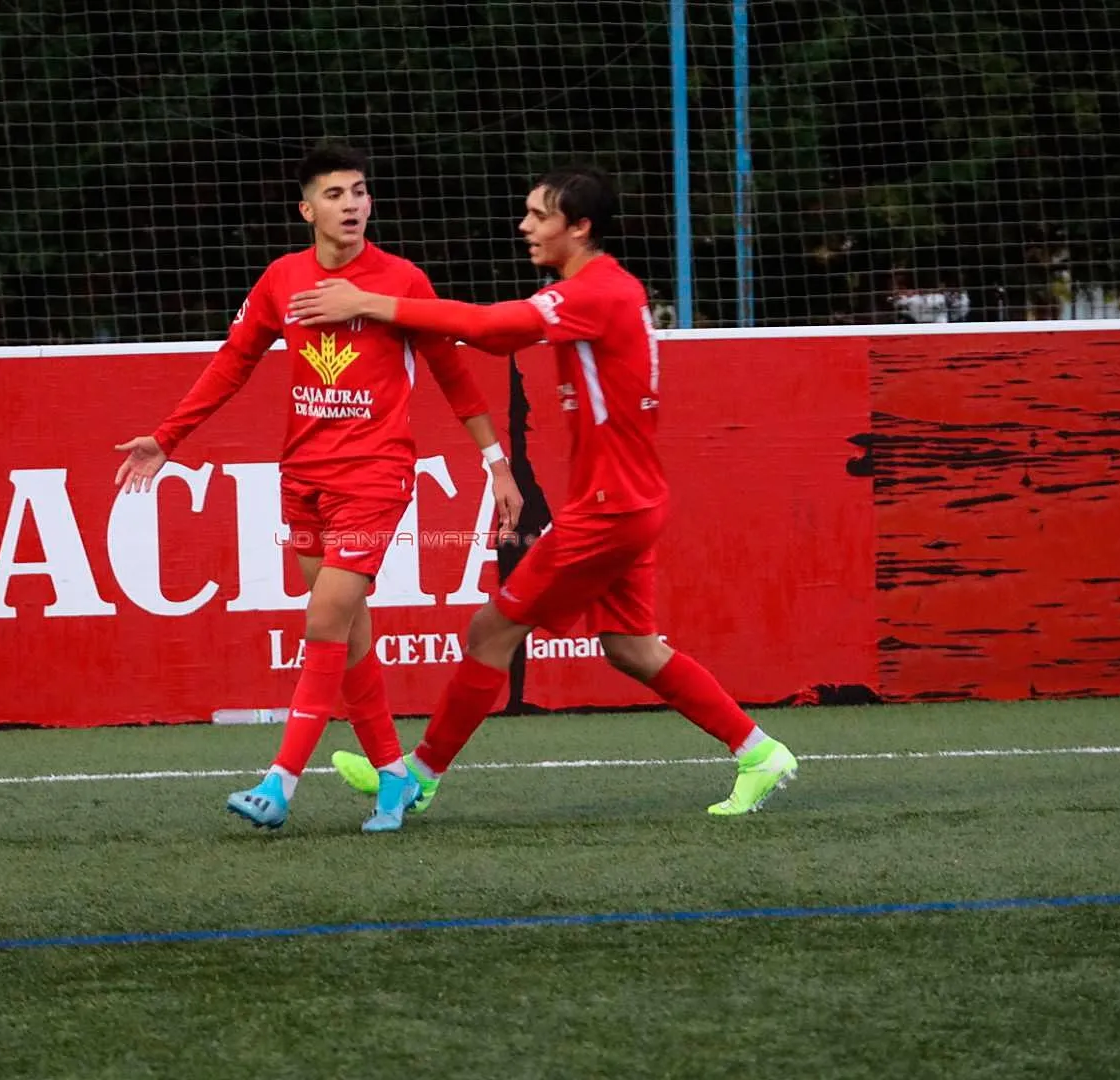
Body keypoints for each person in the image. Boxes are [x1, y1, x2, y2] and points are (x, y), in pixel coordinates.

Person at [287, 164, 798, 819]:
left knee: (490, 629)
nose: (525, 226)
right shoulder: (605, 288)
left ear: (578, 228)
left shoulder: (595, 293)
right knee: (630, 647)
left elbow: (496, 331)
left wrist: (371, 303)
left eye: (539, 215)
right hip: (629, 500)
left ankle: (418, 776)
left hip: (609, 508)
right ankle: (758, 752)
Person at [114, 143, 521, 833]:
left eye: (360, 191)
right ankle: (394, 777)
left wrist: (496, 462)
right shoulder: (282, 280)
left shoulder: (399, 281)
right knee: (350, 632)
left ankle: (280, 782)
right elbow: (232, 363)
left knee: (326, 619)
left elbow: (453, 374)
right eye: (335, 195)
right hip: (302, 478)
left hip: (376, 474)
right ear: (308, 209)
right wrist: (167, 436)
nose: (353, 204)